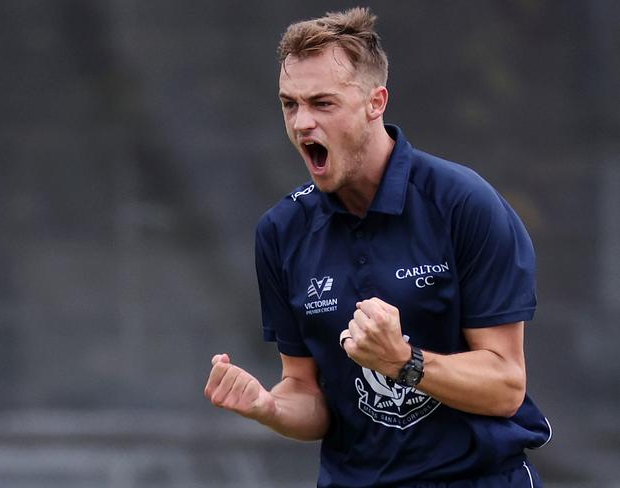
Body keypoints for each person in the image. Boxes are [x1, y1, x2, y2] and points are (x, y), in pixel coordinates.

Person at [204, 7, 551, 487]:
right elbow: (307, 393)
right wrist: (270, 406)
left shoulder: (463, 203)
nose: (302, 122)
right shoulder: (281, 231)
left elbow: (506, 387)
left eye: (322, 103)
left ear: (375, 102)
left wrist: (402, 362)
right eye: (290, 104)